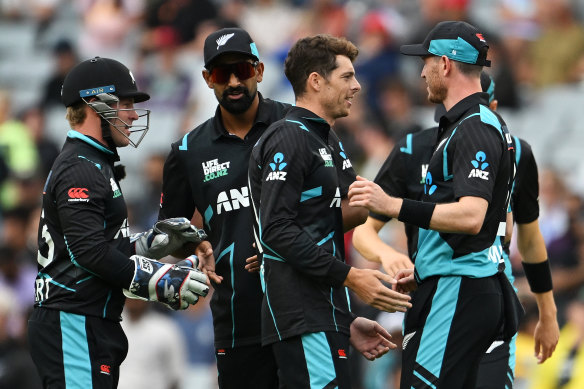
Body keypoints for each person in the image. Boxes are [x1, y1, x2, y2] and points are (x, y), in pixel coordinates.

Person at [158, 27, 381, 388]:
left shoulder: (302, 125)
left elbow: (356, 207)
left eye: (242, 71)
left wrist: (280, 245)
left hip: (303, 305)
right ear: (205, 79)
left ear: (260, 71)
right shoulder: (187, 150)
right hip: (238, 319)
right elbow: (168, 232)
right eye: (220, 73)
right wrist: (194, 244)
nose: (233, 81)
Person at [352, 72, 560, 388]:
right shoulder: (412, 150)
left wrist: (548, 312)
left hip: (489, 295)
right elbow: (363, 231)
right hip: (431, 295)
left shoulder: (517, 152)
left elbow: (528, 238)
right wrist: (388, 255)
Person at [348, 21, 515, 388]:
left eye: (425, 61)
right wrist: (422, 269)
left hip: (459, 290)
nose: (421, 71)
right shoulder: (469, 125)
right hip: (455, 285)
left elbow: (472, 217)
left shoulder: (475, 126)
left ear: (445, 63)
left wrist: (392, 205)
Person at [27, 56, 210, 389]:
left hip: (87, 319)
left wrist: (152, 245)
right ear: (96, 104)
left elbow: (98, 247)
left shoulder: (93, 162)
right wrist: (160, 281)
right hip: (73, 319)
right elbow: (88, 252)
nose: (134, 115)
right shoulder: (80, 167)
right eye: (126, 104)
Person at [248, 34, 413, 388]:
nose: (356, 86)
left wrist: (345, 317)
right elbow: (276, 230)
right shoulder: (288, 137)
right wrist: (351, 276)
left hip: (326, 315)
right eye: (347, 77)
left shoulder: (327, 140)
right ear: (315, 81)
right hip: (300, 316)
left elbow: (343, 214)